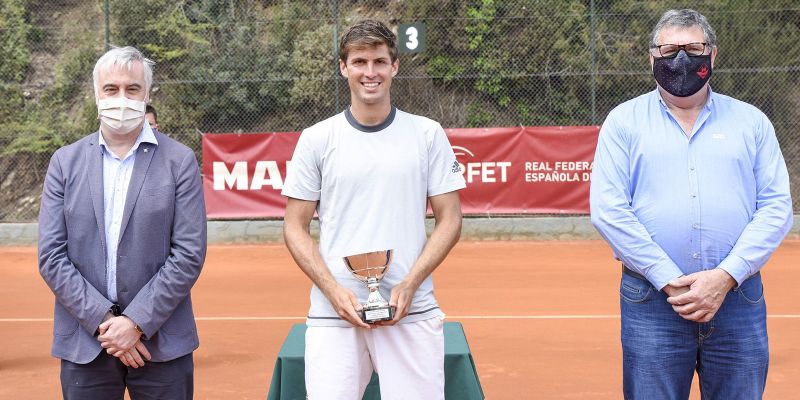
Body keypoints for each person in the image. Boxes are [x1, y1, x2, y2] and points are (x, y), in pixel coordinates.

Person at [590, 9, 793, 399]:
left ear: (712, 55)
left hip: (737, 297)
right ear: (651, 57)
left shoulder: (752, 123)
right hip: (652, 300)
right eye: (668, 49)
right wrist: (668, 279)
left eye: (694, 48)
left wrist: (725, 276)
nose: (681, 59)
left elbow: (775, 207)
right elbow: (609, 210)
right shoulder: (623, 122)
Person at [282, 20, 465, 400]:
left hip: (411, 311)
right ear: (343, 67)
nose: (370, 72)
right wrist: (333, 290)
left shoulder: (427, 134)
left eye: (379, 61)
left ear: (394, 66)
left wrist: (410, 283)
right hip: (335, 315)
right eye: (360, 61)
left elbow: (451, 218)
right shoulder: (316, 139)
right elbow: (294, 226)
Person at [38, 46, 207, 399]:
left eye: (132, 89)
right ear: (96, 94)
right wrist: (106, 323)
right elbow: (52, 256)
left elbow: (188, 253)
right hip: (87, 343)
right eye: (111, 89)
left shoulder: (179, 161)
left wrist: (136, 323)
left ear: (146, 94)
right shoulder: (64, 163)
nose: (122, 98)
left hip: (162, 343)